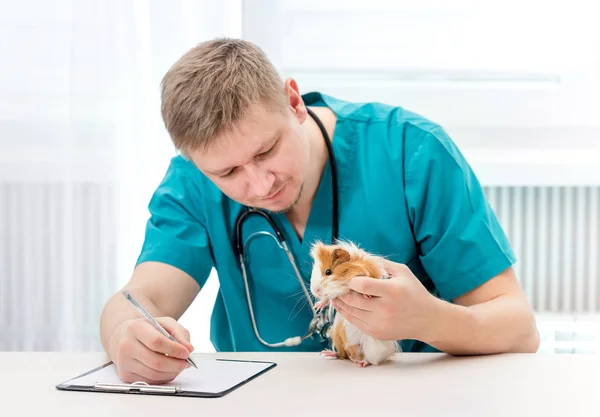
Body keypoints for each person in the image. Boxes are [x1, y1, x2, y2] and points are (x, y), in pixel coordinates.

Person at [99, 37, 540, 384]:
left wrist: (429, 320)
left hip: (408, 396)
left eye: (267, 150)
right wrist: (126, 335)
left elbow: (519, 329)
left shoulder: (411, 152)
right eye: (228, 172)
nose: (259, 185)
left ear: (294, 103)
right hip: (263, 398)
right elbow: (142, 299)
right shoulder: (190, 183)